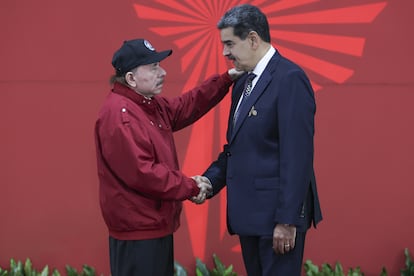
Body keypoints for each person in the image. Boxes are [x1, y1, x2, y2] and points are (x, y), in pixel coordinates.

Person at [94, 38, 242, 276]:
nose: (162, 72)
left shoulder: (146, 104)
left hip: (152, 227)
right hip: (139, 235)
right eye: (153, 67)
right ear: (131, 79)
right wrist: (192, 186)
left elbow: (184, 107)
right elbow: (144, 173)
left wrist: (224, 80)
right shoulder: (121, 116)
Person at [198, 4, 323, 275]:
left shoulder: (290, 79)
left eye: (230, 43)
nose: (225, 52)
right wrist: (209, 181)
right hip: (251, 219)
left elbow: (297, 155)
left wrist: (287, 220)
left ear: (253, 39)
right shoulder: (243, 83)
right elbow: (237, 149)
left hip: (277, 222)